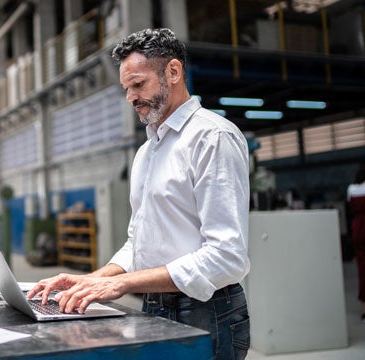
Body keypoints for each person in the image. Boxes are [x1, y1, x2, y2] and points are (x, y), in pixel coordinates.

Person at [27, 28, 251, 359]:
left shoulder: (212, 138)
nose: (131, 97)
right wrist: (90, 280)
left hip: (206, 312)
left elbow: (226, 257)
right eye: (126, 88)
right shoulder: (148, 151)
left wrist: (122, 285)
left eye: (139, 84)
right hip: (154, 303)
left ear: (173, 72)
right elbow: (139, 244)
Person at [347, 162, 365, 323]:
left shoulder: (351, 189)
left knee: (361, 269)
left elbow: (349, 209)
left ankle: (363, 309)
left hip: (357, 229)